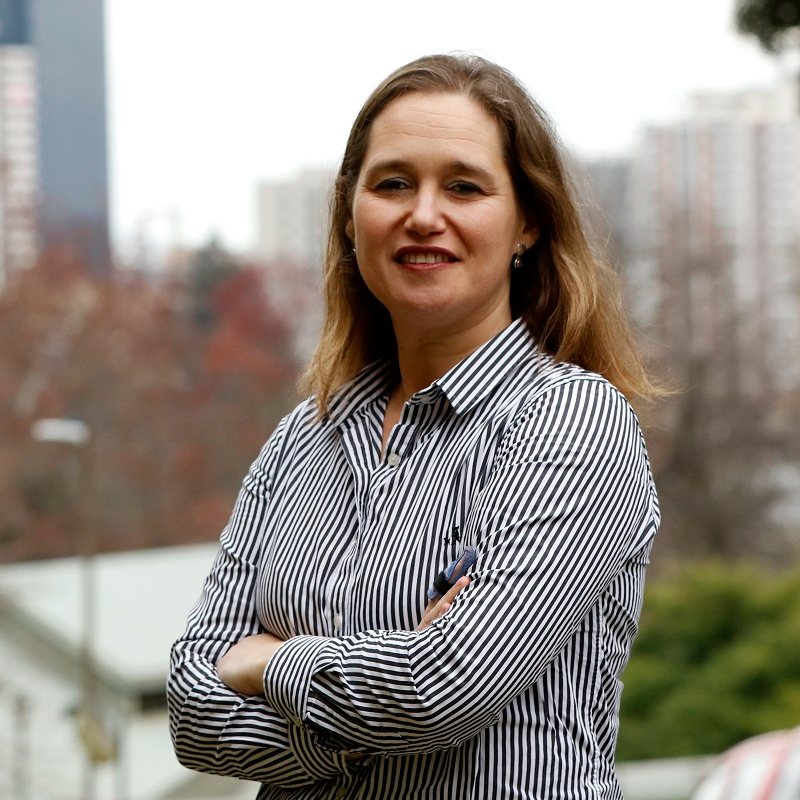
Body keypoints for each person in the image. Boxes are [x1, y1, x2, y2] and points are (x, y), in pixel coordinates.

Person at [168, 53, 661, 800]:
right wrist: (385, 688)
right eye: (393, 183)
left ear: (528, 221)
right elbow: (192, 712)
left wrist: (270, 663)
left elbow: (444, 689)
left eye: (464, 187)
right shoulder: (302, 441)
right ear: (350, 215)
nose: (424, 215)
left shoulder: (571, 421)